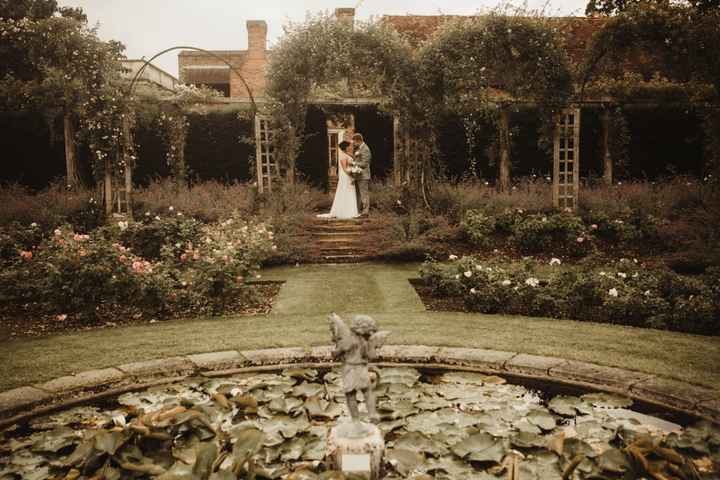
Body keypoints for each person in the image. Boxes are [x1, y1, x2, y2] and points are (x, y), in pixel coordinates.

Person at [317, 140, 359, 219]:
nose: (351, 147)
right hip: (346, 176)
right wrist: (351, 175)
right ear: (346, 147)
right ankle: (345, 212)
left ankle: (352, 211)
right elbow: (344, 168)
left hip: (349, 175)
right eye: (349, 146)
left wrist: (354, 170)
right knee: (346, 191)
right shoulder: (343, 155)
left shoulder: (347, 154)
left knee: (350, 192)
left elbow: (350, 165)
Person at [351, 133, 372, 216]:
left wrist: (354, 163)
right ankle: (359, 211)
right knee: (358, 194)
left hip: (363, 175)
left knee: (364, 194)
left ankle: (365, 211)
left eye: (354, 142)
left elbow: (365, 163)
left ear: (358, 140)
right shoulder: (359, 149)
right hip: (358, 175)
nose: (353, 143)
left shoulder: (365, 149)